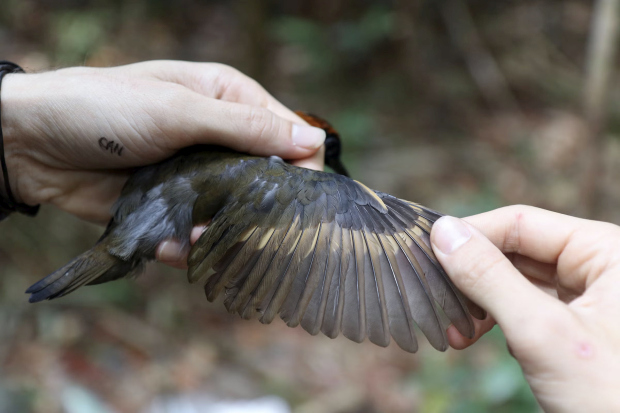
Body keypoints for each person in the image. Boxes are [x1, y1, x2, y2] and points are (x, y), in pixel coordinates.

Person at [1, 60, 618, 411]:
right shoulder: (302, 181)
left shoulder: (236, 160)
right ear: (309, 140)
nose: (331, 161)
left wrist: (17, 143)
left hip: (132, 210)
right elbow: (357, 226)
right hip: (139, 215)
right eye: (327, 148)